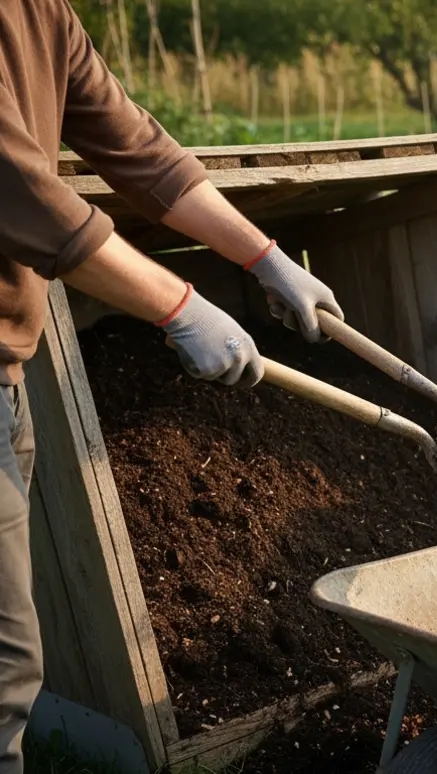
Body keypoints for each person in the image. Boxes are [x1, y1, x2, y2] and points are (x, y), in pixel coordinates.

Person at [0, 2, 346, 770]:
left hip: (5, 379)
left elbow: (137, 149)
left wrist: (263, 257)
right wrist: (181, 306)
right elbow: (22, 190)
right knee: (4, 670)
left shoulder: (44, 13)